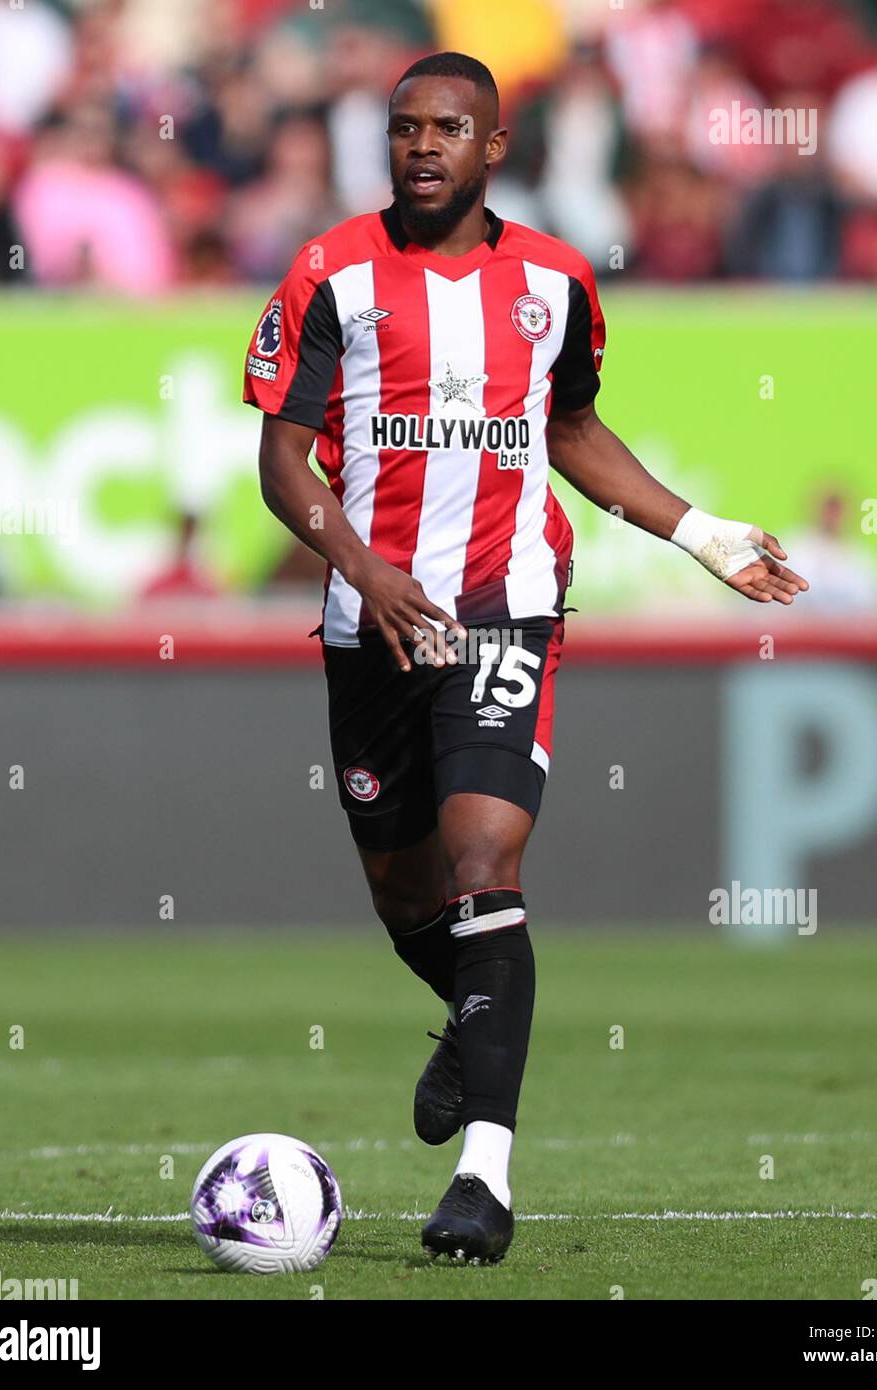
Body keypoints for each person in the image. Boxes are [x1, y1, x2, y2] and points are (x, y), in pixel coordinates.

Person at [245, 51, 808, 1265]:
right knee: (407, 895)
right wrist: (361, 566)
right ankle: (476, 1016)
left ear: (494, 146)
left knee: (484, 854)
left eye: (450, 127)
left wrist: (700, 533)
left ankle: (483, 1179)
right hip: (371, 622)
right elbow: (284, 463)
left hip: (508, 606)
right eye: (405, 128)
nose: (424, 146)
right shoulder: (329, 273)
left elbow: (568, 431)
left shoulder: (554, 280)